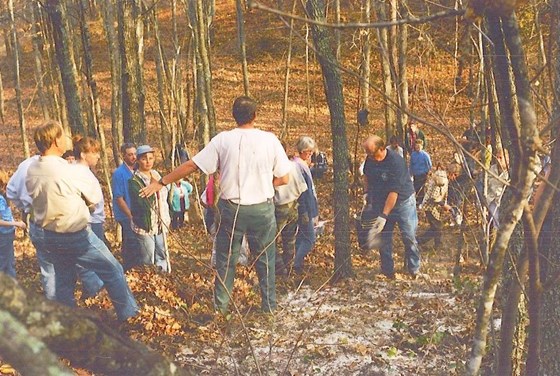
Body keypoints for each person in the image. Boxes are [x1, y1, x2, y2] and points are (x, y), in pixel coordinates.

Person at [140, 96, 292, 314]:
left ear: (233, 116)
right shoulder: (270, 140)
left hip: (231, 208)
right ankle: (269, 307)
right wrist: (263, 185)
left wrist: (162, 182)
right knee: (265, 259)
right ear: (255, 116)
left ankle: (221, 308)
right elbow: (284, 178)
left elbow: (193, 165)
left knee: (226, 259)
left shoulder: (223, 139)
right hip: (262, 209)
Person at [25, 120, 138, 321]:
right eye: (62, 136)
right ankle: (130, 316)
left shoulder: (32, 169)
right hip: (75, 235)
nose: (66, 139)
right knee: (113, 270)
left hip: (50, 235)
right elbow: (93, 200)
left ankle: (67, 325)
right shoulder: (68, 170)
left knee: (64, 284)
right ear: (54, 141)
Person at [7, 152, 103, 300]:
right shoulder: (59, 167)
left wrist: (26, 207)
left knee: (50, 268)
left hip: (37, 221)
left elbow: (11, 191)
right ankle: (93, 297)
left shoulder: (27, 165)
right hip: (59, 221)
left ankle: (59, 304)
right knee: (75, 260)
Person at [362, 135, 420, 279]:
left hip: (403, 202)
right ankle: (388, 271)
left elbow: (393, 193)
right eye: (369, 155)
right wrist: (366, 193)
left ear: (382, 149)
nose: (372, 158)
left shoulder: (396, 162)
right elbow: (367, 176)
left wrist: (383, 216)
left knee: (409, 236)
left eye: (374, 154)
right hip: (382, 202)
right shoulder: (370, 160)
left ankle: (414, 268)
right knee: (384, 237)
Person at [128, 145, 171, 272]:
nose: (148, 162)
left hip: (161, 221)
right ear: (138, 160)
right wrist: (153, 186)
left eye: (151, 158)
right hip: (145, 225)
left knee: (162, 252)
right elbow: (142, 203)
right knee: (148, 256)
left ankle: (162, 277)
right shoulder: (134, 181)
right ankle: (149, 279)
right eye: (144, 159)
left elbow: (165, 196)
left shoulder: (158, 175)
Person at [274, 142, 308, 276]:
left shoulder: (273, 168)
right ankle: (287, 268)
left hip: (279, 208)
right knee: (289, 240)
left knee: (272, 241)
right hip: (293, 207)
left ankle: (281, 268)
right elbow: (302, 189)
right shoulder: (293, 166)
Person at [111, 142, 141, 271]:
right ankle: (129, 270)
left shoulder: (138, 172)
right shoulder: (119, 173)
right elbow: (119, 198)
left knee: (139, 245)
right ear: (124, 156)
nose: (133, 157)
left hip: (138, 214)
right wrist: (130, 216)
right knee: (130, 244)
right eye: (130, 155)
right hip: (126, 215)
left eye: (135, 154)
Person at [293, 136, 319, 275]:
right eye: (308, 152)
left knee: (301, 237)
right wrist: (306, 212)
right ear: (302, 151)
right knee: (309, 238)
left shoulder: (303, 166)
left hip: (307, 207)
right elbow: (303, 193)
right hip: (304, 209)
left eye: (311, 152)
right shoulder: (298, 167)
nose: (310, 154)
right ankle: (296, 264)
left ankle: (296, 261)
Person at [73, 136, 106, 243]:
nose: (98, 156)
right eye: (94, 153)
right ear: (83, 155)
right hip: (89, 223)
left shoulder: (84, 171)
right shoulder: (80, 173)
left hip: (94, 221)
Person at [0, 170, 26, 278]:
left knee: (9, 263)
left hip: (8, 233)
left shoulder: (3, 197)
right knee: (4, 263)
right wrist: (16, 223)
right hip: (3, 235)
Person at [418, 164, 448, 248]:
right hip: (430, 206)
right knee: (436, 227)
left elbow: (442, 194)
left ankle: (438, 244)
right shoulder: (442, 180)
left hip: (434, 206)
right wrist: (443, 204)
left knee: (436, 226)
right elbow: (434, 197)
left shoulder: (441, 177)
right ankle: (418, 241)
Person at [485, 148, 509, 229]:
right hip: (492, 200)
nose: (498, 160)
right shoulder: (492, 169)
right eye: (497, 157)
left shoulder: (510, 172)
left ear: (507, 159)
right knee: (496, 222)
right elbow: (487, 183)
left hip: (505, 201)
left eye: (501, 158)